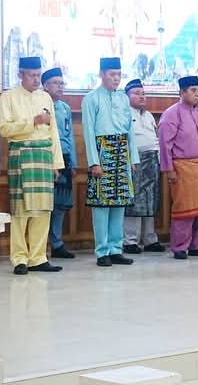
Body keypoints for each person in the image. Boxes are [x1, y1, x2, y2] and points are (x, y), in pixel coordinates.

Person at [0, 56, 64, 274]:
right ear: (20, 75)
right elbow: (4, 129)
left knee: (43, 210)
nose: (37, 80)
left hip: (44, 156)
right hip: (22, 154)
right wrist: (32, 122)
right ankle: (19, 259)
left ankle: (38, 257)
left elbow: (53, 132)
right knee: (21, 210)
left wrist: (56, 163)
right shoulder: (8, 97)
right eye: (32, 75)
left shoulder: (45, 97)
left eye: (38, 75)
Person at [82, 57, 139, 267]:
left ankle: (116, 248)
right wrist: (93, 162)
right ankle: (102, 251)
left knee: (120, 204)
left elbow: (129, 130)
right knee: (101, 204)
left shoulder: (124, 98)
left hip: (121, 152)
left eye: (119, 74)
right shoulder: (91, 98)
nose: (116, 78)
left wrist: (132, 158)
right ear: (102, 74)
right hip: (102, 150)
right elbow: (88, 132)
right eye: (112, 74)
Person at [158, 76, 198, 260]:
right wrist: (169, 169)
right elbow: (165, 145)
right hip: (182, 167)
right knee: (184, 210)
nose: (197, 94)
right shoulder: (171, 113)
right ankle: (180, 246)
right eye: (192, 90)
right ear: (181, 92)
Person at [123, 79, 165, 254]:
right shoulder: (123, 114)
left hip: (152, 159)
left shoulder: (148, 116)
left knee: (150, 200)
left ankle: (150, 239)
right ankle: (130, 241)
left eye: (143, 93)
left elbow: (156, 139)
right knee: (134, 202)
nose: (141, 97)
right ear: (126, 97)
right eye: (136, 93)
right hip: (134, 161)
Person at [42, 67, 77, 259]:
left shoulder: (65, 108)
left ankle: (57, 244)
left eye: (62, 83)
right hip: (46, 156)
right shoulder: (40, 105)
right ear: (45, 85)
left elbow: (69, 135)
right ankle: (41, 246)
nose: (60, 87)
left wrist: (73, 162)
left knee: (61, 204)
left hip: (64, 158)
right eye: (56, 83)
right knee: (45, 203)